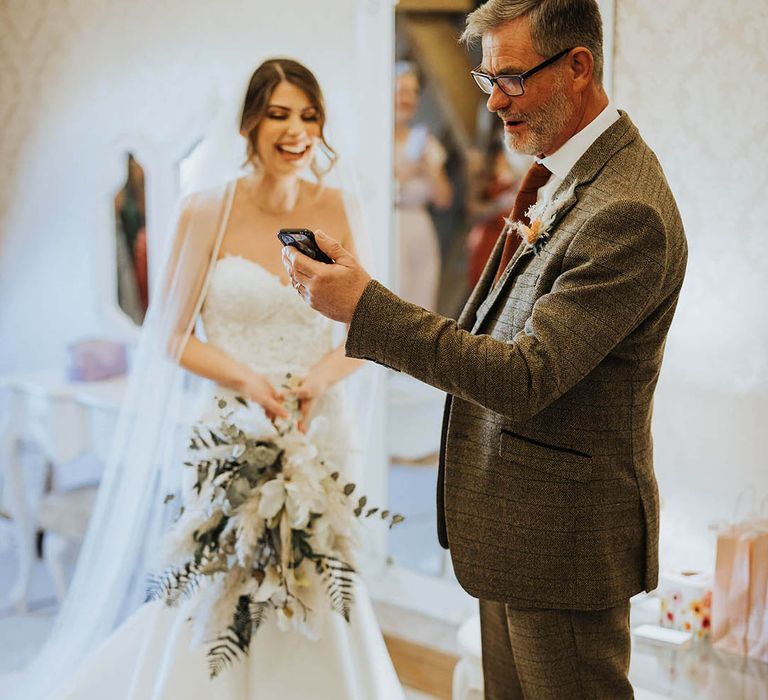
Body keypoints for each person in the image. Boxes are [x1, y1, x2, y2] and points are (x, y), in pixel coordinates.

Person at [283, 1, 688, 698]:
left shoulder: (627, 211)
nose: (495, 101)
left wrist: (366, 308)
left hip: (564, 547)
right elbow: (485, 332)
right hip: (515, 531)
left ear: (578, 67)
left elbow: (525, 375)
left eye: (511, 78)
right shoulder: (564, 176)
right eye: (486, 80)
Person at [14, 59, 404, 700]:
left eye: (308, 115)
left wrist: (317, 380)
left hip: (320, 424)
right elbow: (170, 334)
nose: (295, 130)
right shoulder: (206, 211)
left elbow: (370, 330)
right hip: (230, 424)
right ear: (251, 122)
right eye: (278, 114)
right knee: (222, 577)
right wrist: (250, 383)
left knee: (321, 571)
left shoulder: (339, 211)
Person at [394, 61, 452, 311]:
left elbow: (444, 199)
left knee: (421, 304)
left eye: (414, 92)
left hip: (421, 231)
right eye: (401, 90)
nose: (408, 98)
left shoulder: (425, 140)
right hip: (389, 228)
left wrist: (427, 167)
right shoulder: (372, 140)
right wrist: (408, 169)